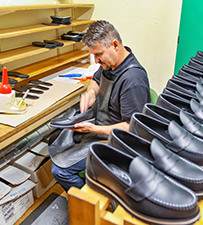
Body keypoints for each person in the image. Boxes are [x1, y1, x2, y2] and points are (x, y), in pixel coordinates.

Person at [50, 20, 151, 192]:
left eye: (98, 55)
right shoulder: (111, 64)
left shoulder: (133, 80)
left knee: (60, 170)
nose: (96, 61)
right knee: (56, 138)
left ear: (115, 45)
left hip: (119, 141)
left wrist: (92, 129)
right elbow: (96, 80)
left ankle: (88, 203)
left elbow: (132, 129)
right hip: (101, 126)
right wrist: (90, 93)